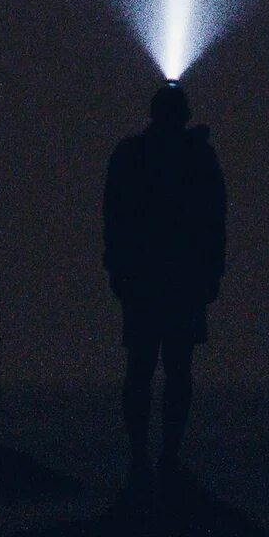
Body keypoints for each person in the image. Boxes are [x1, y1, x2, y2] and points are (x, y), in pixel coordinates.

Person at [103, 81, 226, 483]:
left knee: (141, 367)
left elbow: (113, 216)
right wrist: (212, 272)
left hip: (143, 277)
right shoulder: (198, 158)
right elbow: (214, 219)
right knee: (176, 369)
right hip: (181, 278)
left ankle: (141, 457)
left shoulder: (130, 155)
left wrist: (117, 268)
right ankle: (166, 457)